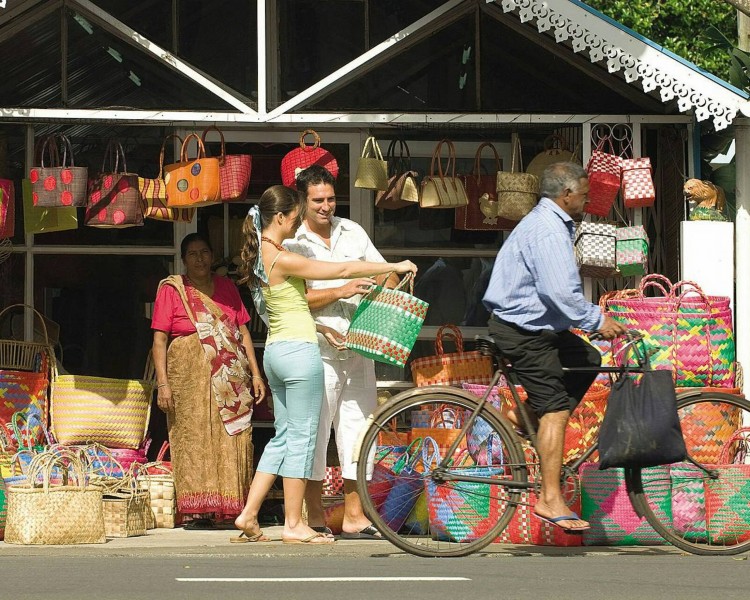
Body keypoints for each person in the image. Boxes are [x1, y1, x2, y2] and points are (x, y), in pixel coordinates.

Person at [234, 184, 417, 544]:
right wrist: (394, 264)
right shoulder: (282, 256)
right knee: (303, 439)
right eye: (296, 214)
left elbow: (291, 307)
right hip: (301, 354)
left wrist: (323, 328)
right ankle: (294, 524)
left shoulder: (262, 256)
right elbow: (343, 268)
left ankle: (248, 513)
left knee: (283, 438)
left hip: (277, 351)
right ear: (283, 217)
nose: (298, 221)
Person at [482, 162, 627, 533]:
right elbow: (560, 292)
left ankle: (525, 417)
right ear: (566, 195)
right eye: (583, 192)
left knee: (587, 358)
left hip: (538, 324)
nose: (587, 198)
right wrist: (597, 320)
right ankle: (548, 498)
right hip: (523, 330)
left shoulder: (553, 223)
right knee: (557, 408)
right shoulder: (547, 230)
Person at [285, 164, 400, 540]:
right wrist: (341, 289)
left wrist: (390, 284)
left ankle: (354, 516)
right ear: (302, 202)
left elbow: (386, 273)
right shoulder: (291, 241)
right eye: (318, 200)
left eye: (331, 198)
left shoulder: (352, 231)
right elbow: (291, 302)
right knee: (316, 434)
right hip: (315, 348)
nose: (326, 206)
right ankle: (315, 517)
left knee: (359, 431)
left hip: (360, 347)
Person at [151, 233, 267, 529]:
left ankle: (230, 510)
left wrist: (255, 374)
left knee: (233, 437)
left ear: (212, 256)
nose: (200, 258)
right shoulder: (172, 290)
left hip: (231, 380)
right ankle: (197, 511)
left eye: (204, 252)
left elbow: (242, 334)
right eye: (193, 254)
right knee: (193, 437)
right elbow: (160, 338)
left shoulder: (227, 287)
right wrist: (162, 383)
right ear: (183, 259)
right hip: (188, 380)